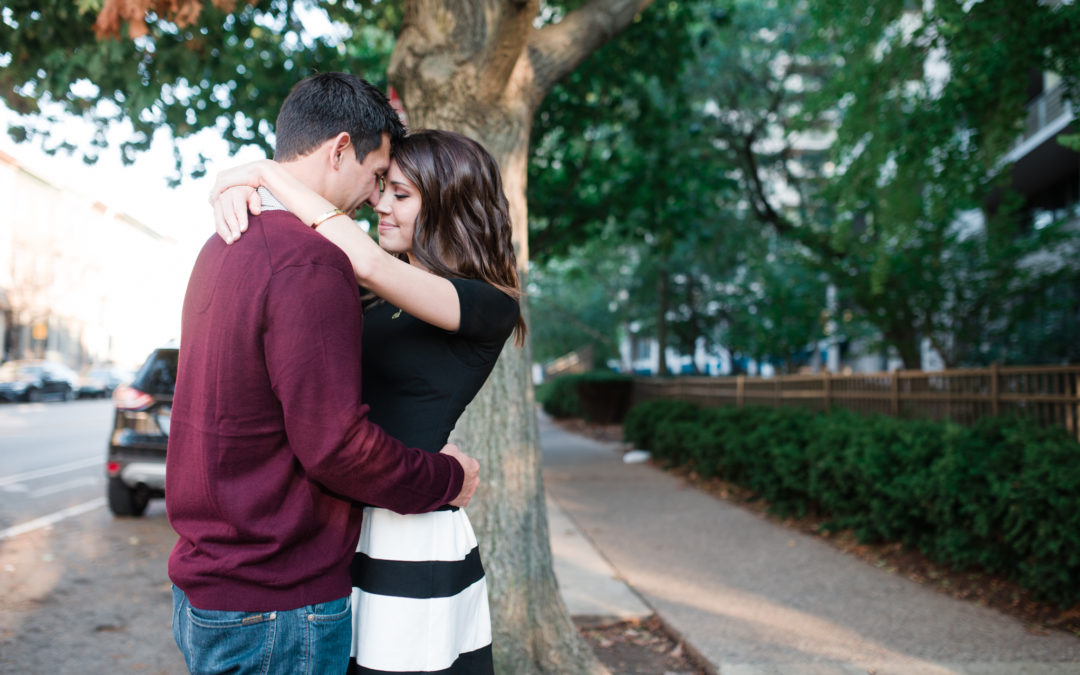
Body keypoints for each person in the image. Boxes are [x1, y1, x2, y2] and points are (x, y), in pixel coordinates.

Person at [167, 74, 482, 675]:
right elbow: (336, 448)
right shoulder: (311, 260)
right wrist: (446, 477)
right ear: (340, 149)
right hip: (274, 602)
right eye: (377, 173)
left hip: (209, 584)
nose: (373, 196)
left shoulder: (223, 243)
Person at [209, 129, 525, 674]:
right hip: (347, 518)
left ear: (450, 205)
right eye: (382, 188)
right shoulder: (376, 295)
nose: (378, 202)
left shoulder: (485, 302)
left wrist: (264, 175)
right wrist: (231, 192)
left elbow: (365, 259)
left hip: (410, 529)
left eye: (400, 194)